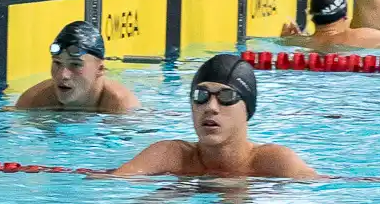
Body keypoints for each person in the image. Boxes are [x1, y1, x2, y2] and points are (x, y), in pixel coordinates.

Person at [105, 52, 317, 181]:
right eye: (201, 96)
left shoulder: (275, 163)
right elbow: (113, 182)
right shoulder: (171, 155)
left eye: (227, 96)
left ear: (247, 109)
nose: (211, 107)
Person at [12, 19, 139, 113]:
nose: (63, 75)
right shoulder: (33, 102)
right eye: (57, 63)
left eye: (75, 64)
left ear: (100, 69)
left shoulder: (121, 107)